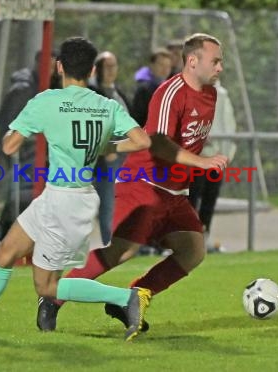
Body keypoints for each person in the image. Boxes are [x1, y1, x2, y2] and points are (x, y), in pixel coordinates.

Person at [0, 37, 153, 341]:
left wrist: (23, 132)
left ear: (59, 67)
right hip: (65, 198)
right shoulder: (106, 106)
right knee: (5, 252)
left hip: (65, 202)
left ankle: (127, 298)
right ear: (92, 70)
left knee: (46, 288)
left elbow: (10, 144)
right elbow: (142, 141)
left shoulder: (46, 101)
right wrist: (105, 145)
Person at [39, 33, 228, 332]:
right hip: (144, 183)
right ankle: (54, 297)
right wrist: (202, 162)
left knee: (193, 250)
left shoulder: (211, 94)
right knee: (121, 251)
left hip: (174, 191)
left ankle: (132, 298)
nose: (220, 67)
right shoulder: (170, 92)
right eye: (215, 61)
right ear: (192, 61)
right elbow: (157, 143)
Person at [0, 50, 60, 238]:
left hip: (42, 156)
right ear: (39, 64)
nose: (52, 72)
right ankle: (5, 234)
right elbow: (8, 124)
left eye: (55, 68)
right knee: (20, 196)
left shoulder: (52, 88)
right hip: (21, 156)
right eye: (49, 67)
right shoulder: (23, 90)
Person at [188, 80, 237, 252]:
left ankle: (203, 237)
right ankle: (188, 239)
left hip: (215, 158)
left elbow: (229, 125)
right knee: (192, 199)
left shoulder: (221, 95)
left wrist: (227, 153)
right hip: (196, 158)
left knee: (209, 198)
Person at [89, 51, 131, 245]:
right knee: (107, 204)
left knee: (120, 203)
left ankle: (119, 243)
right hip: (106, 160)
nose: (111, 71)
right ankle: (110, 245)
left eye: (114, 66)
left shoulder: (117, 92)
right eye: (107, 67)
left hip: (123, 157)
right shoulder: (92, 93)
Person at [131, 48, 172, 127]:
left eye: (168, 66)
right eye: (161, 65)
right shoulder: (144, 89)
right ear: (151, 65)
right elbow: (138, 118)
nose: (165, 69)